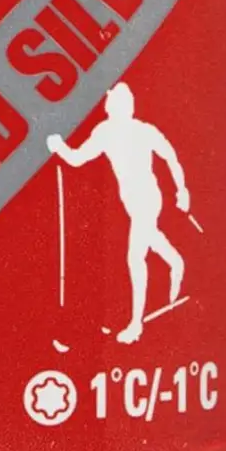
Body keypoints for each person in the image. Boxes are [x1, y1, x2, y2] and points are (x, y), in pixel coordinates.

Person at [47, 82, 189, 344]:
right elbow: (78, 158)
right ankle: (176, 261)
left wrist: (182, 190)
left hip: (148, 198)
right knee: (150, 237)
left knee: (135, 257)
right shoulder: (106, 132)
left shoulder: (142, 131)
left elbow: (170, 156)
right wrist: (60, 148)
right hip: (133, 201)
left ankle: (136, 325)